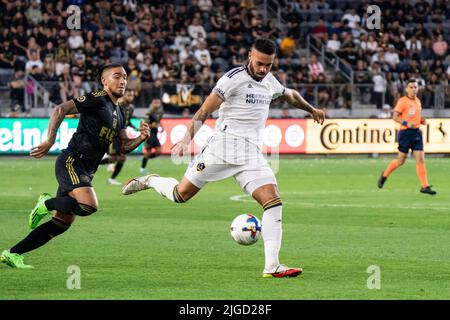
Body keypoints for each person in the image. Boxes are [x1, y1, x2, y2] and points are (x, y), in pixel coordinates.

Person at [122, 38, 325, 278]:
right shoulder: (232, 79)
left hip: (251, 155)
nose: (262, 69)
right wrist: (187, 139)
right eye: (259, 63)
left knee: (273, 202)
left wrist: (311, 109)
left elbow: (291, 95)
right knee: (180, 195)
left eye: (268, 65)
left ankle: (272, 266)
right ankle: (151, 180)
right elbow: (205, 110)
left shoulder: (269, 81)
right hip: (221, 149)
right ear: (250, 55)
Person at [1, 64, 150, 269]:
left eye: (125, 77)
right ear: (104, 81)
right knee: (89, 206)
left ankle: (12, 254)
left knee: (61, 224)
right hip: (72, 161)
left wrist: (141, 138)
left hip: (87, 169)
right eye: (117, 76)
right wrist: (50, 140)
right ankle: (46, 203)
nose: (123, 81)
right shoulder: (97, 98)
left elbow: (123, 147)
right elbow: (60, 109)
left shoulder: (121, 112)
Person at [377, 78, 436, 195]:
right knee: (400, 161)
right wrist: (406, 123)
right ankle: (384, 175)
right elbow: (395, 117)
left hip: (416, 133)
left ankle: (424, 186)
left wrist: (421, 120)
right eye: (411, 87)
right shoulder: (402, 101)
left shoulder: (418, 101)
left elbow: (414, 117)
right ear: (406, 89)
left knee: (420, 159)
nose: (414, 89)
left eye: (415, 87)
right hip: (405, 134)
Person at [100, 88, 138, 185]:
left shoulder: (131, 107)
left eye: (132, 95)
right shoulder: (117, 105)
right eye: (128, 95)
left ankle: (112, 179)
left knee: (121, 158)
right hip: (113, 134)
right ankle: (91, 164)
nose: (130, 97)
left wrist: (135, 128)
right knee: (114, 158)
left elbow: (126, 121)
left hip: (121, 134)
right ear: (123, 95)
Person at [140, 98, 164, 174]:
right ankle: (142, 168)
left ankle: (144, 158)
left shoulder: (160, 112)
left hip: (155, 134)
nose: (157, 104)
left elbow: (158, 121)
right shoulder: (149, 113)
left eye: (158, 102)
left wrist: (161, 126)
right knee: (148, 152)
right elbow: (145, 124)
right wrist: (155, 125)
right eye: (155, 102)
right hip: (149, 135)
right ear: (152, 104)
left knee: (159, 151)